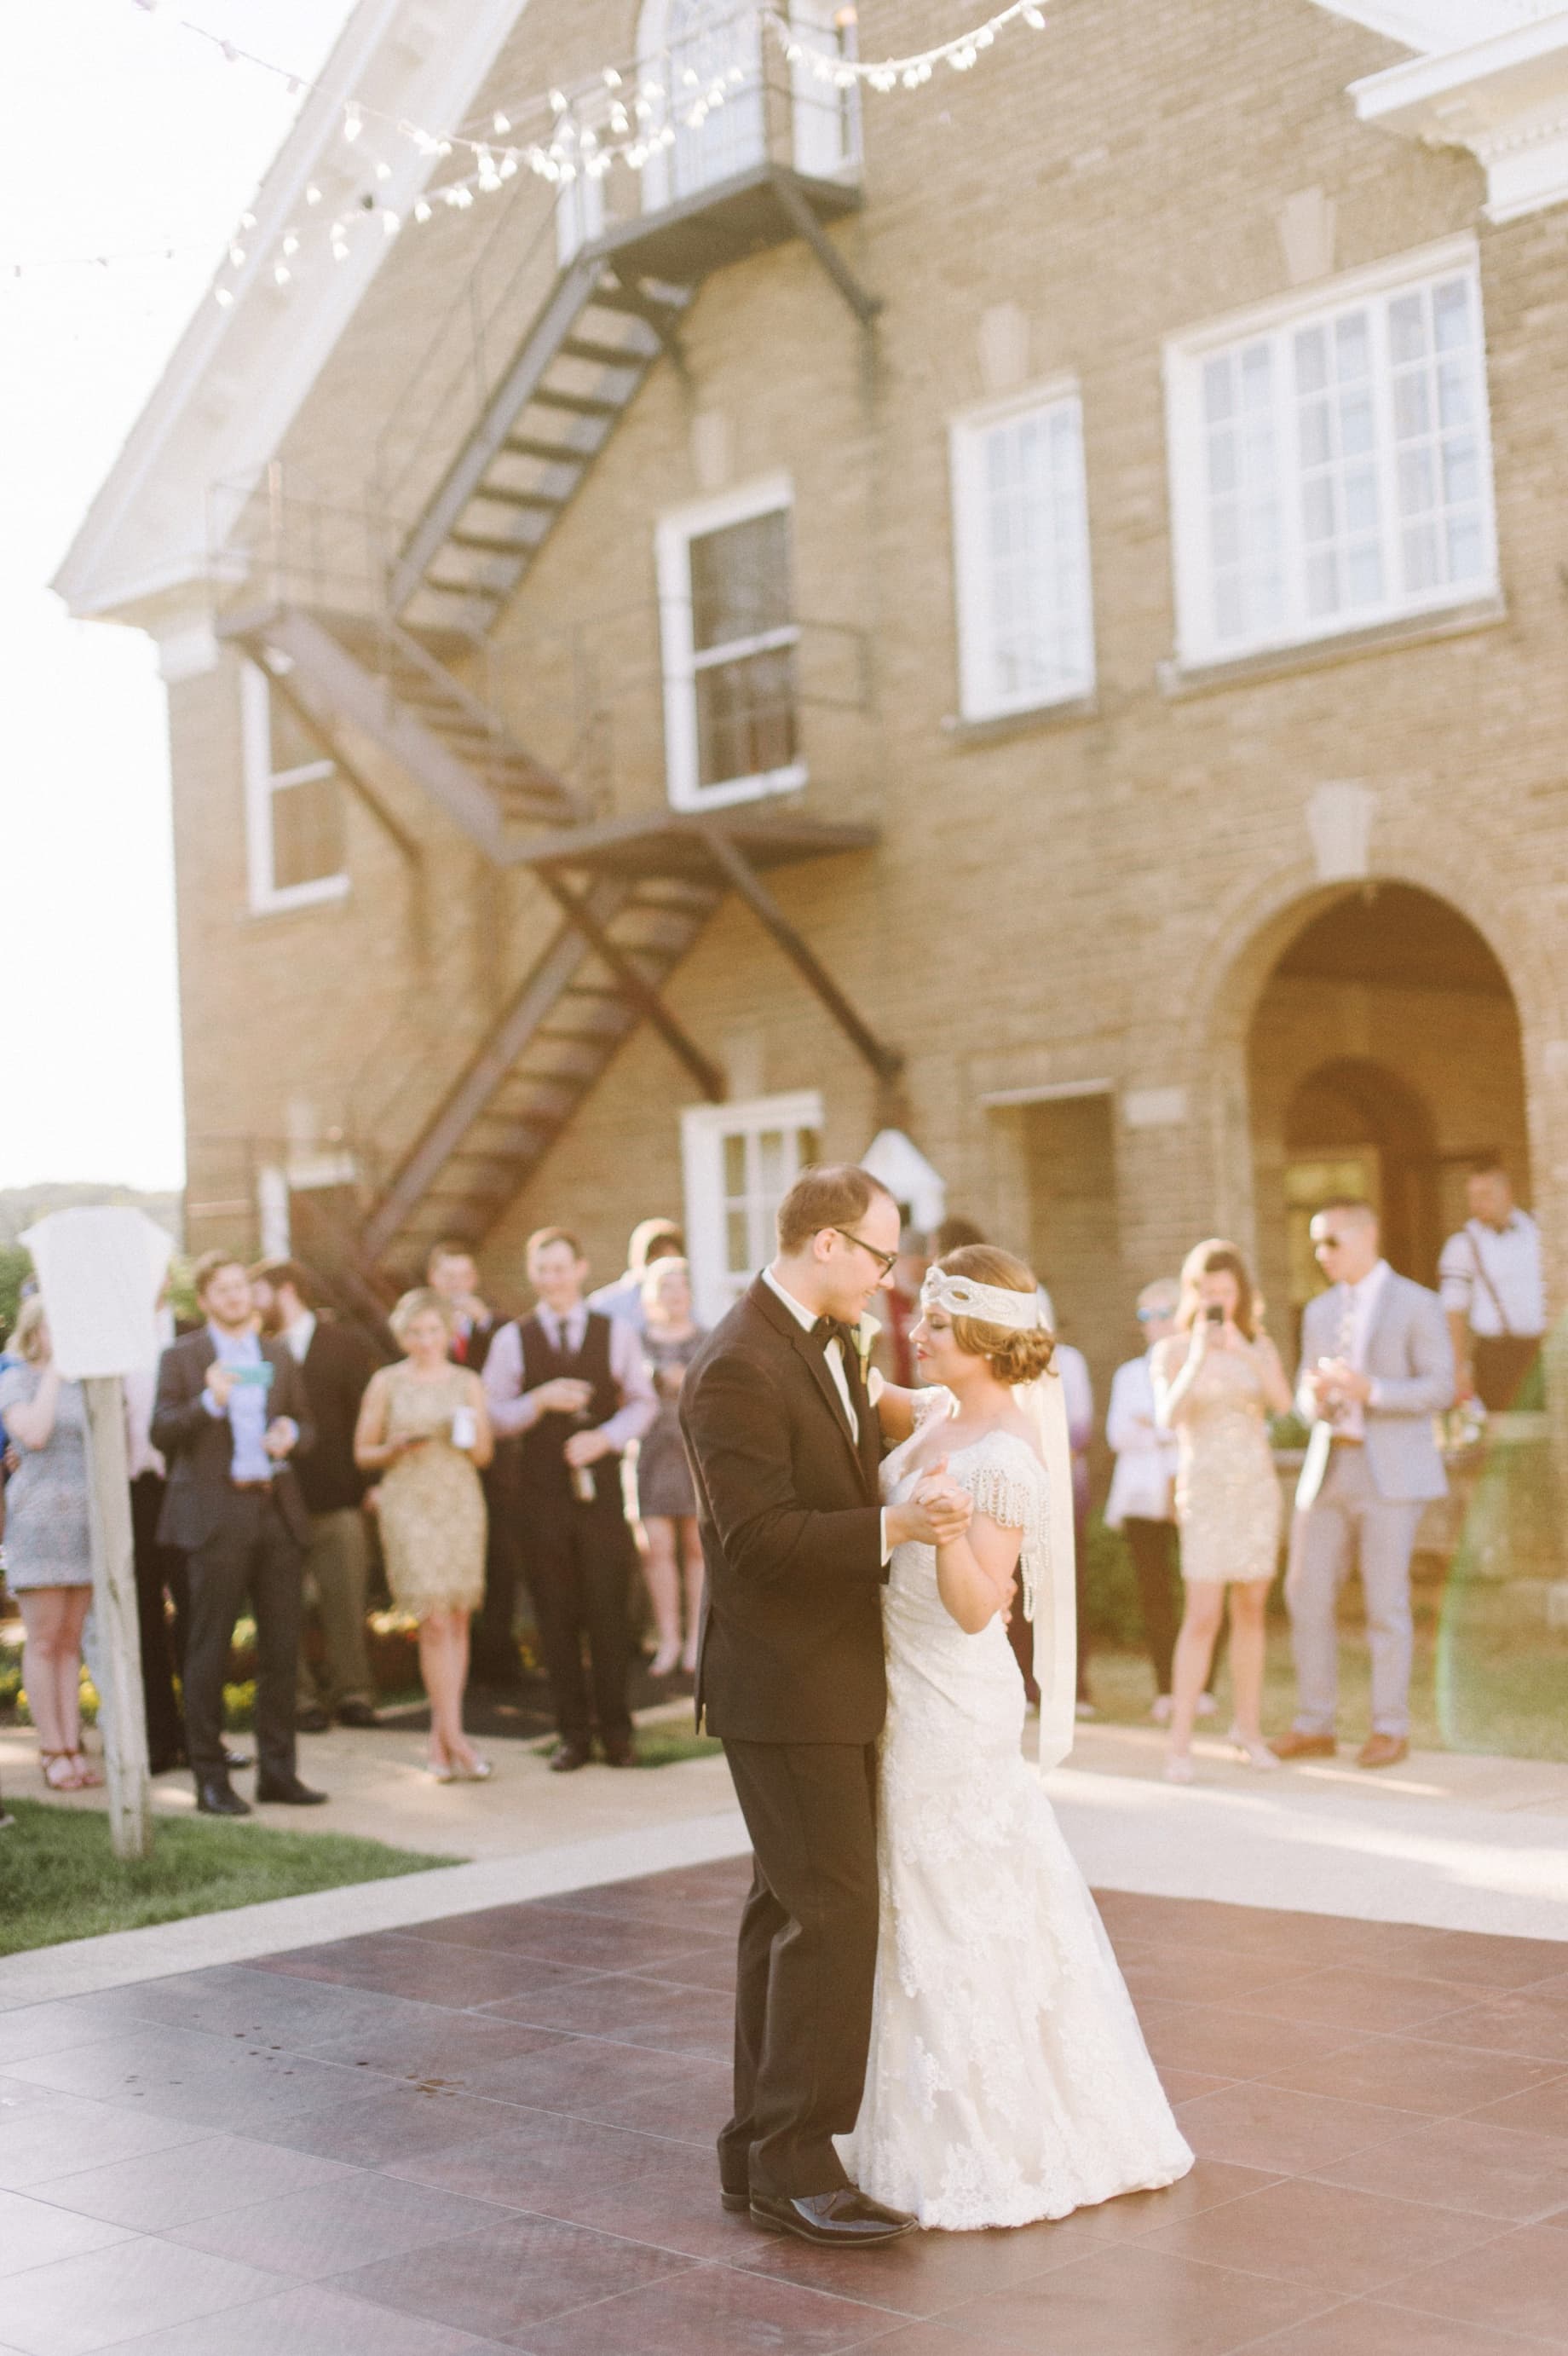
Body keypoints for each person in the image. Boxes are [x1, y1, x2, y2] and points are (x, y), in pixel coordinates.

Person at [841, 1247, 1193, 2228]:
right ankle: (924, 2106)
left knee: (949, 1897)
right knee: (924, 1896)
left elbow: (974, 1609)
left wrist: (943, 1531)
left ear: (988, 1340)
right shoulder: (943, 1414)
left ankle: (995, 2132)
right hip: (900, 1683)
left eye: (942, 1327)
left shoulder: (1005, 1460)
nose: (923, 1333)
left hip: (952, 1696)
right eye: (926, 1318)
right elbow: (869, 1388)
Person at [680, 1163, 971, 2250]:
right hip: (784, 1683)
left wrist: (921, 1407)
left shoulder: (821, 1336)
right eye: (880, 1255)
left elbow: (848, 1429)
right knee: (833, 1912)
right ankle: (800, 2165)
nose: (889, 1280)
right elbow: (755, 1544)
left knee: (785, 1909)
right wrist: (895, 1530)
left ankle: (756, 2148)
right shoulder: (735, 1366)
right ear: (826, 1244)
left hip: (826, 1674)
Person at [1273, 1199, 1454, 1771]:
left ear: (1367, 1234)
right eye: (1315, 1245)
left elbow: (1440, 1388)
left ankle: (1389, 1727)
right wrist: (1317, 1398)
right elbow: (1305, 1395)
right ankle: (1315, 1722)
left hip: (1389, 1473)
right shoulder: (1319, 1310)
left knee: (1385, 1604)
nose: (1321, 1255)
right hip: (1329, 1467)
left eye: (1331, 1242)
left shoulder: (1418, 1303)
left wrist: (1370, 1391)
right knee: (1304, 1593)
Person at [151, 1251, 323, 1816]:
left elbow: (309, 1425)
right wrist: (208, 1401)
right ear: (203, 1301)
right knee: (209, 1649)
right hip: (215, 1515)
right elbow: (162, 1430)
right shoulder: (183, 1356)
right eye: (221, 1290)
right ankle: (210, 1779)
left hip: (275, 1510)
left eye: (240, 1288)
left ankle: (279, 1774)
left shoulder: (276, 1354)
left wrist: (291, 1433)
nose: (234, 1297)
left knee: (280, 1649)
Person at [483, 1227, 657, 1770]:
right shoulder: (514, 1338)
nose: (552, 1279)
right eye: (542, 1270)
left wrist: (603, 1438)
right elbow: (493, 1413)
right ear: (533, 1276)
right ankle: (572, 1735)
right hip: (538, 1499)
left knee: (608, 1614)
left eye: (561, 1268)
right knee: (555, 1618)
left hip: (601, 1496)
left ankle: (618, 1734)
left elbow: (643, 1401)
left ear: (580, 1269)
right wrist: (537, 1402)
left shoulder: (616, 1333)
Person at [1152, 1240, 1293, 1783]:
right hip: (1206, 1493)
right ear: (1195, 1294)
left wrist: (1246, 1351)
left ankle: (1249, 1730)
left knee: (1252, 1609)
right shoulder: (1172, 1351)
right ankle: (1180, 1743)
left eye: (1226, 1293)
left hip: (1254, 1490)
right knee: (1203, 1614)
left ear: (1241, 1295)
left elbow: (1283, 1404)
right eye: (1208, 1293)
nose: (1217, 1301)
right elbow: (1168, 1416)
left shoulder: (1257, 1344)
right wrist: (1197, 1357)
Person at [355, 1288, 495, 1781]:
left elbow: (483, 1456)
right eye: (416, 1332)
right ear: (403, 1334)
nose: (426, 1340)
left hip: (458, 1498)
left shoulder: (468, 1381)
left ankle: (441, 1740)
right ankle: (457, 1738)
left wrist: (470, 1429)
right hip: (409, 1501)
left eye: (434, 1331)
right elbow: (362, 1453)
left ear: (447, 1332)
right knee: (433, 1619)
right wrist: (393, 1447)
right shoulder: (386, 1383)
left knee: (456, 1618)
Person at [251, 1259, 380, 1733]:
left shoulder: (343, 1344)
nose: (252, 1305)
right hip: (276, 1504)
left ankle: (354, 1693)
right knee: (281, 1607)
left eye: (258, 1293)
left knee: (345, 1602)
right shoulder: (256, 1353)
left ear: (285, 1291)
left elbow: (366, 1414)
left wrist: (373, 1485)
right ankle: (301, 1698)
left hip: (339, 1497)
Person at [0, 1298, 101, 1793]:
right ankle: (50, 1748)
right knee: (42, 1641)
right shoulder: (16, 1379)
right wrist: (56, 1372)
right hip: (38, 1524)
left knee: (69, 1643)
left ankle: (73, 1744)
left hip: (83, 1526)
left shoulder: (88, 1386)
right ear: (35, 1332)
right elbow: (34, 1434)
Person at [427, 1240, 519, 1690]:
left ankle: (499, 1655)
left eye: (465, 1278)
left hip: (492, 1465)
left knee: (500, 1557)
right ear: (433, 1282)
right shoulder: (425, 1332)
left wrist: (482, 1323)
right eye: (449, 1279)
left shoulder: (497, 1328)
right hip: (442, 1464)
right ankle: (460, 1660)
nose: (458, 1287)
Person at [1105, 1279, 1185, 1722]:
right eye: (1145, 1316)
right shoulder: (1129, 1375)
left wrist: (1150, 1427)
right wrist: (1163, 1430)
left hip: (1188, 1492)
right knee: (1155, 1595)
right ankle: (1166, 1686)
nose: (1155, 1324)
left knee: (1195, 1588)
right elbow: (1118, 1435)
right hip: (1141, 1500)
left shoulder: (1195, 1367)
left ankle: (1201, 1684)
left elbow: (1184, 1430)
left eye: (1164, 1312)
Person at [123, 1287, 191, 1775]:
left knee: (196, 1610)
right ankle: (159, 1739)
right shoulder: (111, 1339)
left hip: (186, 1487)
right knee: (144, 1613)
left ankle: (201, 1737)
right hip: (134, 1491)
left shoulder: (193, 1335)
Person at [633, 1255, 706, 1677]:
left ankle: (697, 1639)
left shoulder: (708, 1338)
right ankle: (668, 1639)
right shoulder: (637, 1342)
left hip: (695, 1452)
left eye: (681, 1286)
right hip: (651, 1454)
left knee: (697, 1548)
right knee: (655, 1550)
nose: (675, 1295)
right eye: (666, 1287)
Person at [1438, 1158, 1547, 1413]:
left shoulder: (1539, 1229)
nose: (1477, 1204)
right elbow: (1454, 1311)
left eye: (1485, 1195)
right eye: (1472, 1197)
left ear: (1506, 1193)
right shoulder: (1462, 1245)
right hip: (1496, 1355)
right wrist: (1459, 1367)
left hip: (1542, 1349)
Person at [588, 1217, 684, 1332]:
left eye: (671, 1261)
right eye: (656, 1260)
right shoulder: (603, 1306)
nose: (664, 1269)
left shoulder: (688, 1302)